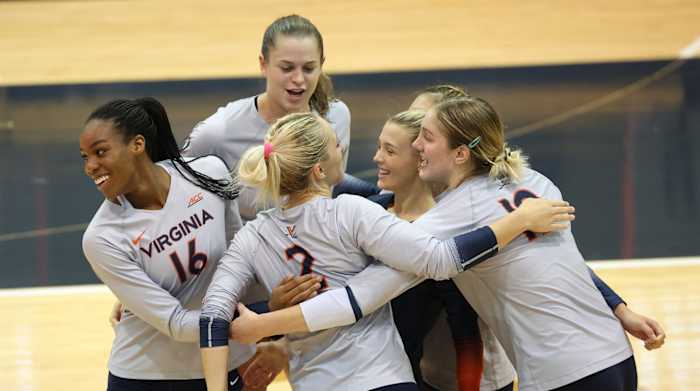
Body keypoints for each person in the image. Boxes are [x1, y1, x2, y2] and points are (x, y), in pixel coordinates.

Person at [229, 97, 649, 391]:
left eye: (425, 138)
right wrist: (619, 307)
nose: (416, 146)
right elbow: (568, 264)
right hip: (612, 350)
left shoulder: (450, 218)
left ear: (461, 154)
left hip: (556, 370)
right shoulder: (533, 181)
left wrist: (265, 323)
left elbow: (365, 293)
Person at [80, 98, 257, 391]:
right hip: (147, 377)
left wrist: (276, 311)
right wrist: (248, 325)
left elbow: (240, 261)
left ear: (138, 145)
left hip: (220, 363)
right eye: (85, 157)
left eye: (100, 152)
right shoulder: (102, 237)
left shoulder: (207, 173)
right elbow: (174, 322)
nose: (90, 166)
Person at [181, 14, 351, 222]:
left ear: (321, 65)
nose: (298, 79)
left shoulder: (337, 117)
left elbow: (332, 187)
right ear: (263, 64)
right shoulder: (217, 133)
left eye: (308, 68)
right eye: (287, 68)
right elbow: (176, 190)